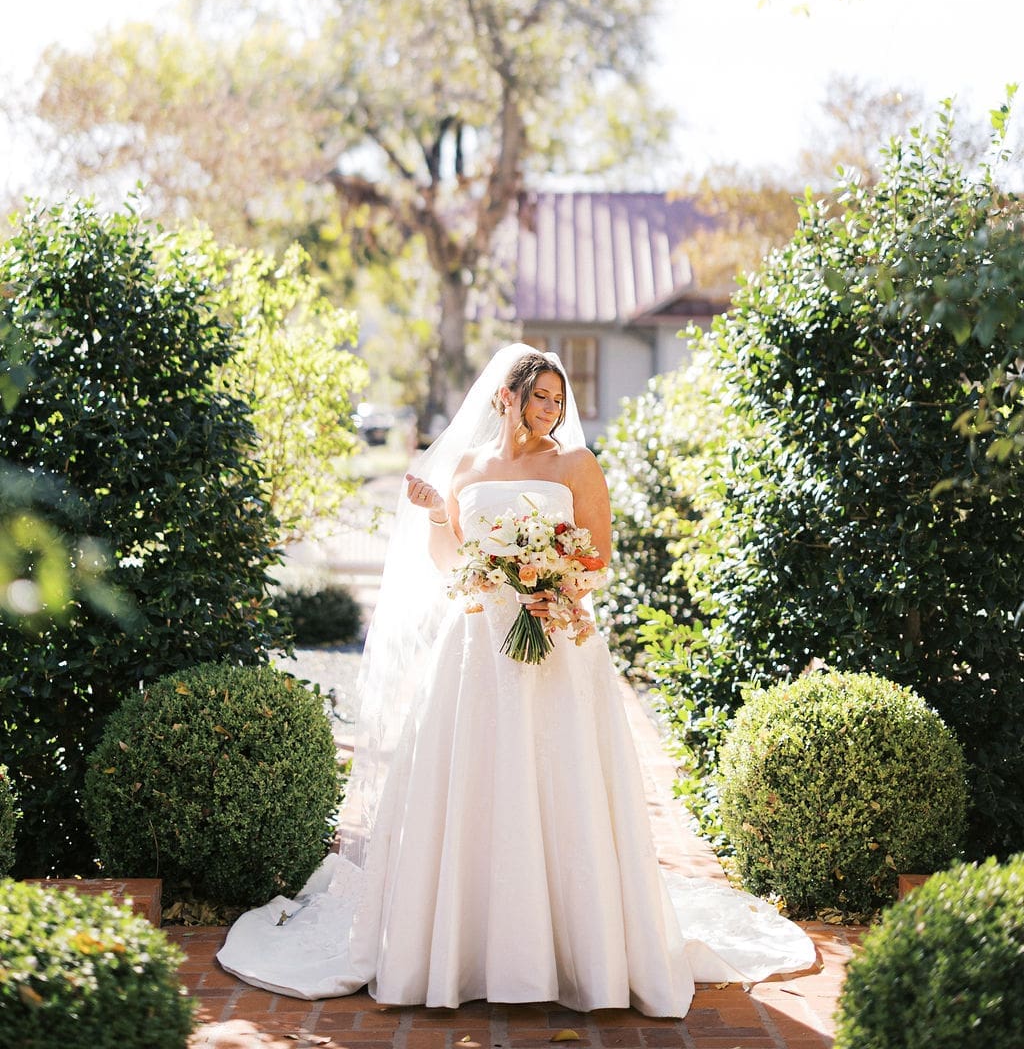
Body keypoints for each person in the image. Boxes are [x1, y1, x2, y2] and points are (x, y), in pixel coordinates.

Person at [218, 345, 814, 1013]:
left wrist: (558, 587)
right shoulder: (467, 469)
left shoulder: (575, 464)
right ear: (507, 397)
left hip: (555, 641)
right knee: (475, 781)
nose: (553, 410)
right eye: (541, 398)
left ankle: (573, 947)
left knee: (559, 779)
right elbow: (452, 560)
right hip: (476, 645)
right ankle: (459, 946)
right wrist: (439, 516)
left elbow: (598, 556)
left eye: (559, 401)